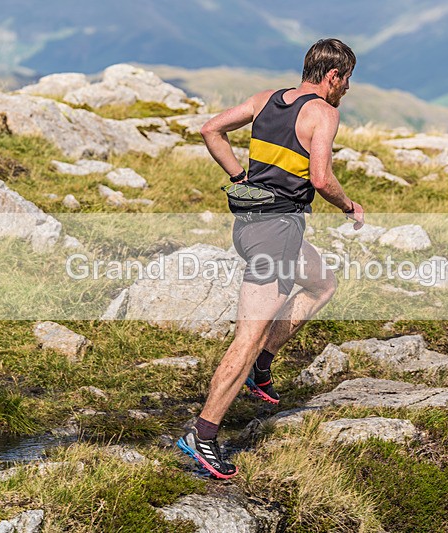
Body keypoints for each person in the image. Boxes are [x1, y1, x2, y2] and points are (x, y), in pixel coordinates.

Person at [177, 38, 365, 479]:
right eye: (347, 80)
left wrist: (240, 176)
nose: (347, 90)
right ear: (333, 76)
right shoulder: (323, 112)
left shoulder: (267, 99)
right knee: (245, 338)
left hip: (252, 225)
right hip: (275, 234)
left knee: (322, 284)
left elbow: (210, 129)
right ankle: (202, 436)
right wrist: (348, 205)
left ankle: (263, 362)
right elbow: (320, 178)